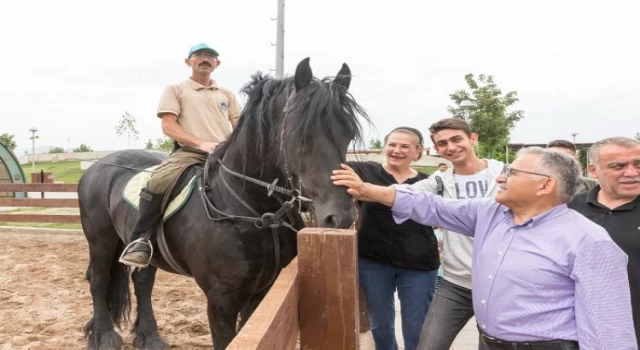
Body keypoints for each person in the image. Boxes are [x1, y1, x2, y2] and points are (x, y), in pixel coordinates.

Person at [332, 147, 637, 349]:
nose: (500, 177)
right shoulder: (490, 213)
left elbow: (611, 331)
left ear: (545, 186)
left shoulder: (588, 241)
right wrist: (369, 190)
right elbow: (432, 206)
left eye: (513, 173)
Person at [120, 43, 241, 267]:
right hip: (190, 153)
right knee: (158, 181)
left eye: (210, 56)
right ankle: (140, 240)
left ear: (218, 63)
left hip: (224, 155)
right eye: (199, 56)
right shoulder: (176, 90)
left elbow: (239, 126)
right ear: (188, 62)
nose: (205, 59)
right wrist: (201, 143)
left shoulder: (227, 94)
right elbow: (169, 126)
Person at [413, 118, 505, 350]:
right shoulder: (438, 181)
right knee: (429, 345)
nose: (451, 147)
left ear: (472, 138)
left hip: (502, 284)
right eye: (442, 143)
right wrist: (364, 190)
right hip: (456, 282)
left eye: (456, 139)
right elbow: (402, 196)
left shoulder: (506, 174)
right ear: (437, 149)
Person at [351, 127, 440, 350]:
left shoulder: (428, 182)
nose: (396, 150)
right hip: (373, 261)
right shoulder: (364, 172)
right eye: (392, 144)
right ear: (384, 146)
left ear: (418, 152)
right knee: (380, 325)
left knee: (416, 328)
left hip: (419, 264)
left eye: (405, 146)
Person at [568, 136, 640, 347]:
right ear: (593, 170)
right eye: (618, 166)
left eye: (638, 164)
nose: (631, 173)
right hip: (581, 333)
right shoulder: (569, 209)